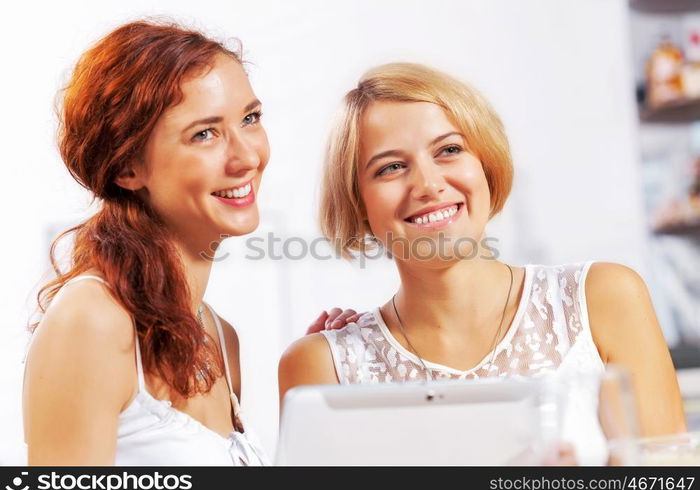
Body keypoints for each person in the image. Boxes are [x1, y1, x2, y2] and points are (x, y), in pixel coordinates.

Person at [278, 62, 687, 465]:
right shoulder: (321, 365)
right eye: (391, 167)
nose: (428, 184)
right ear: (358, 203)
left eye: (449, 150)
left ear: (485, 165)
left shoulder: (604, 297)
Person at [22, 20, 353, 466]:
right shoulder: (93, 321)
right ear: (128, 169)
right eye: (205, 133)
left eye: (250, 119)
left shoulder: (219, 337)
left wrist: (331, 384)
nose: (247, 157)